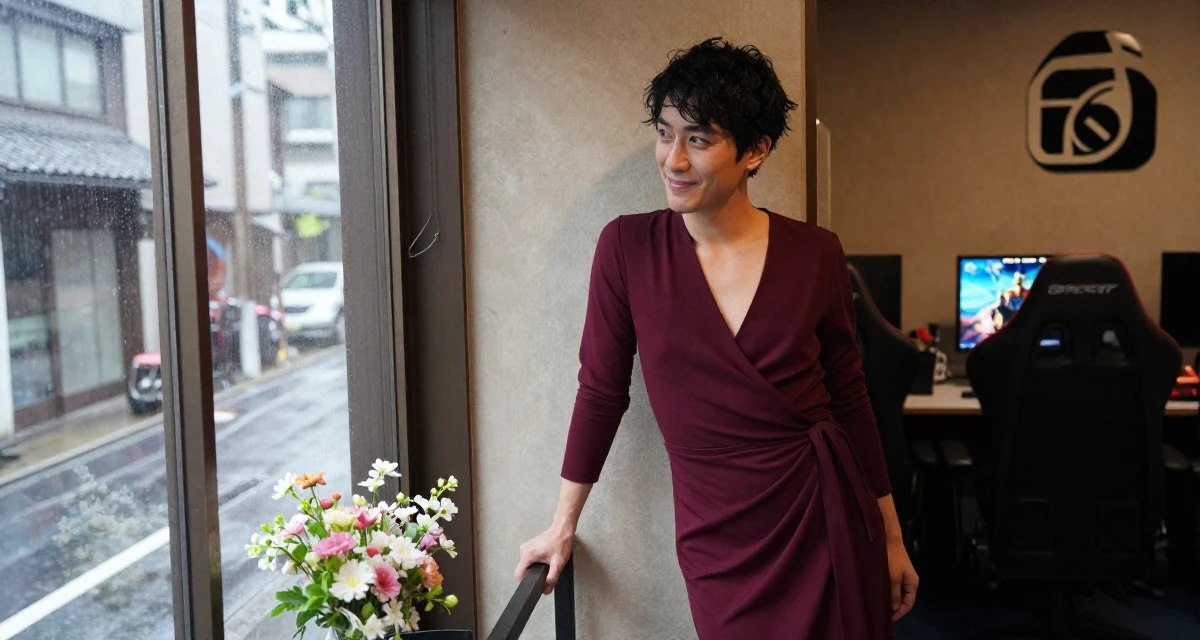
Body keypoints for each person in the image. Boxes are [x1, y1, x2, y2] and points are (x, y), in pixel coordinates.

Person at [514, 37, 918, 639]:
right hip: (715, 534)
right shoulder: (626, 248)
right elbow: (601, 391)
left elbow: (851, 397)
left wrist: (890, 535)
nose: (673, 160)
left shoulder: (817, 253)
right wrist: (562, 524)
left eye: (698, 139)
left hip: (822, 515)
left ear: (755, 151)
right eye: (665, 132)